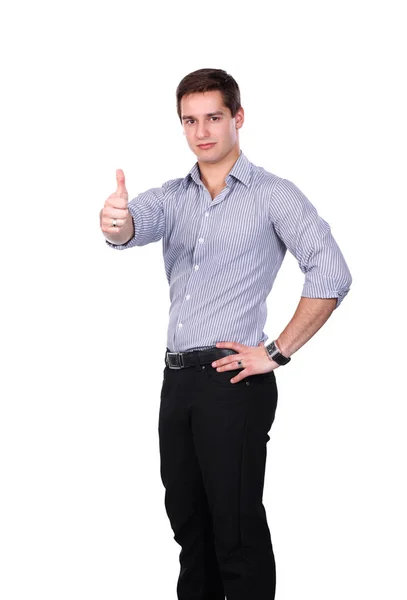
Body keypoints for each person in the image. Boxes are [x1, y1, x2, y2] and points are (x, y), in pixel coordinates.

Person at [99, 68, 352, 600]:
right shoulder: (172, 197)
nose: (202, 131)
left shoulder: (273, 195)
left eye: (214, 117)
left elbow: (331, 272)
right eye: (189, 120)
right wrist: (115, 222)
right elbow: (127, 229)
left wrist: (276, 352)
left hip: (233, 379)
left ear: (237, 118)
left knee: (235, 531)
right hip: (178, 382)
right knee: (190, 527)